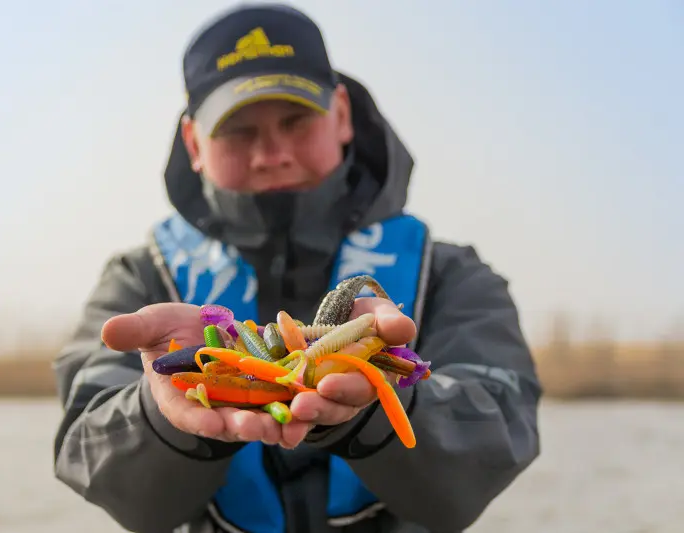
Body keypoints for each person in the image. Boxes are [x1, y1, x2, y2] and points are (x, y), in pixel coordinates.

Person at [51, 3, 542, 533]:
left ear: (341, 115)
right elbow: (89, 449)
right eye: (238, 130)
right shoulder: (139, 279)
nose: (272, 153)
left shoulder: (450, 275)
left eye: (295, 120)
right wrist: (160, 416)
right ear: (195, 143)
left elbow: (500, 432)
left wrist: (376, 405)